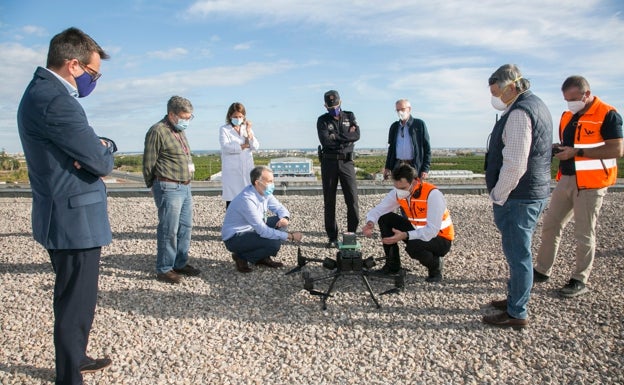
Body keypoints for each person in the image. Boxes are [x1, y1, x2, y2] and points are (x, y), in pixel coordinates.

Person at [17, 27, 114, 384]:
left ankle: (76, 356)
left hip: (67, 214)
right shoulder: (57, 100)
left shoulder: (40, 92)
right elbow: (101, 161)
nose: (93, 79)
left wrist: (95, 148)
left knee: (76, 298)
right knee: (75, 301)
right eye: (93, 72)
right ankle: (69, 375)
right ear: (73, 65)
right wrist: (102, 151)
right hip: (74, 220)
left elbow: (90, 151)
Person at [534, 76, 623, 298]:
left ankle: (579, 279)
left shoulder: (608, 114)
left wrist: (578, 153)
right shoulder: (568, 116)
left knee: (584, 232)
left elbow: (617, 150)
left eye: (573, 98)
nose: (570, 103)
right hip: (567, 178)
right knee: (551, 224)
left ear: (586, 93)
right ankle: (542, 270)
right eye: (566, 100)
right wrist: (560, 149)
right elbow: (570, 145)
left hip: (592, 183)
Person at [482, 64, 553, 329]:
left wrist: (498, 195)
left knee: (518, 255)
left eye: (497, 92)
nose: (495, 98)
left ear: (512, 86)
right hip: (530, 192)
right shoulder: (535, 105)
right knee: (517, 251)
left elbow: (515, 164)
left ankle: (517, 312)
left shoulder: (520, 113)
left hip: (518, 196)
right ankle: (514, 299)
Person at [143, 96, 201, 284]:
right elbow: (149, 161)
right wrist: (152, 185)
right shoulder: (157, 131)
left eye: (190, 118)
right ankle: (165, 268)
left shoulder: (178, 131)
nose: (187, 121)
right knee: (169, 229)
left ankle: (180, 262)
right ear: (172, 114)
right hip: (168, 186)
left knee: (185, 227)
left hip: (184, 186)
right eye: (184, 117)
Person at [362, 165, 454, 282]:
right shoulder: (398, 192)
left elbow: (432, 230)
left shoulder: (433, 195)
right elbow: (380, 209)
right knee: (384, 218)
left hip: (440, 238)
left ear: (415, 181)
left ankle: (435, 267)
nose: (400, 191)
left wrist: (406, 235)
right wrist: (370, 222)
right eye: (396, 187)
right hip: (417, 230)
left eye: (403, 188)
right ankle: (392, 267)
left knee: (413, 246)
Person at [222, 166, 303, 272]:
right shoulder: (247, 200)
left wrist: (285, 218)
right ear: (257, 182)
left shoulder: (264, 192)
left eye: (273, 181)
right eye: (269, 181)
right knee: (273, 243)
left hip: (252, 228)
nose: (272, 184)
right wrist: (291, 236)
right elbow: (263, 231)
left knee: (280, 223)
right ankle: (241, 256)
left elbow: (280, 208)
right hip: (236, 237)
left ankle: (261, 257)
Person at [317, 90, 360, 248]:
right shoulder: (322, 120)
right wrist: (345, 138)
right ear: (325, 106)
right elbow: (326, 141)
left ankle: (351, 234)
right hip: (329, 163)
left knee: (352, 200)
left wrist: (336, 136)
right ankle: (332, 237)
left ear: (340, 103)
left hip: (347, 163)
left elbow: (357, 136)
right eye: (330, 106)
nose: (333, 108)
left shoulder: (349, 116)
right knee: (329, 201)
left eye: (335, 105)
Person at [219, 102, 260, 208]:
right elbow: (226, 147)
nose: (238, 119)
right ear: (230, 116)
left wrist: (249, 131)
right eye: (235, 116)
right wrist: (243, 146)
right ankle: (231, 224)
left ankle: (247, 223)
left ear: (244, 116)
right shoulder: (224, 129)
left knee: (248, 198)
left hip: (247, 168)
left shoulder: (246, 129)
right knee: (232, 200)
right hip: (232, 171)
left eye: (240, 116)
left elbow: (255, 146)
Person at [383, 99, 431, 180]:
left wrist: (425, 169)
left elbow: (427, 148)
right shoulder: (394, 127)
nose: (400, 112)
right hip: (398, 165)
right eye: (397, 110)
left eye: (402, 109)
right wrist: (387, 167)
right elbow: (391, 149)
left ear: (409, 109)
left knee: (414, 191)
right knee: (400, 191)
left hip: (414, 166)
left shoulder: (419, 125)